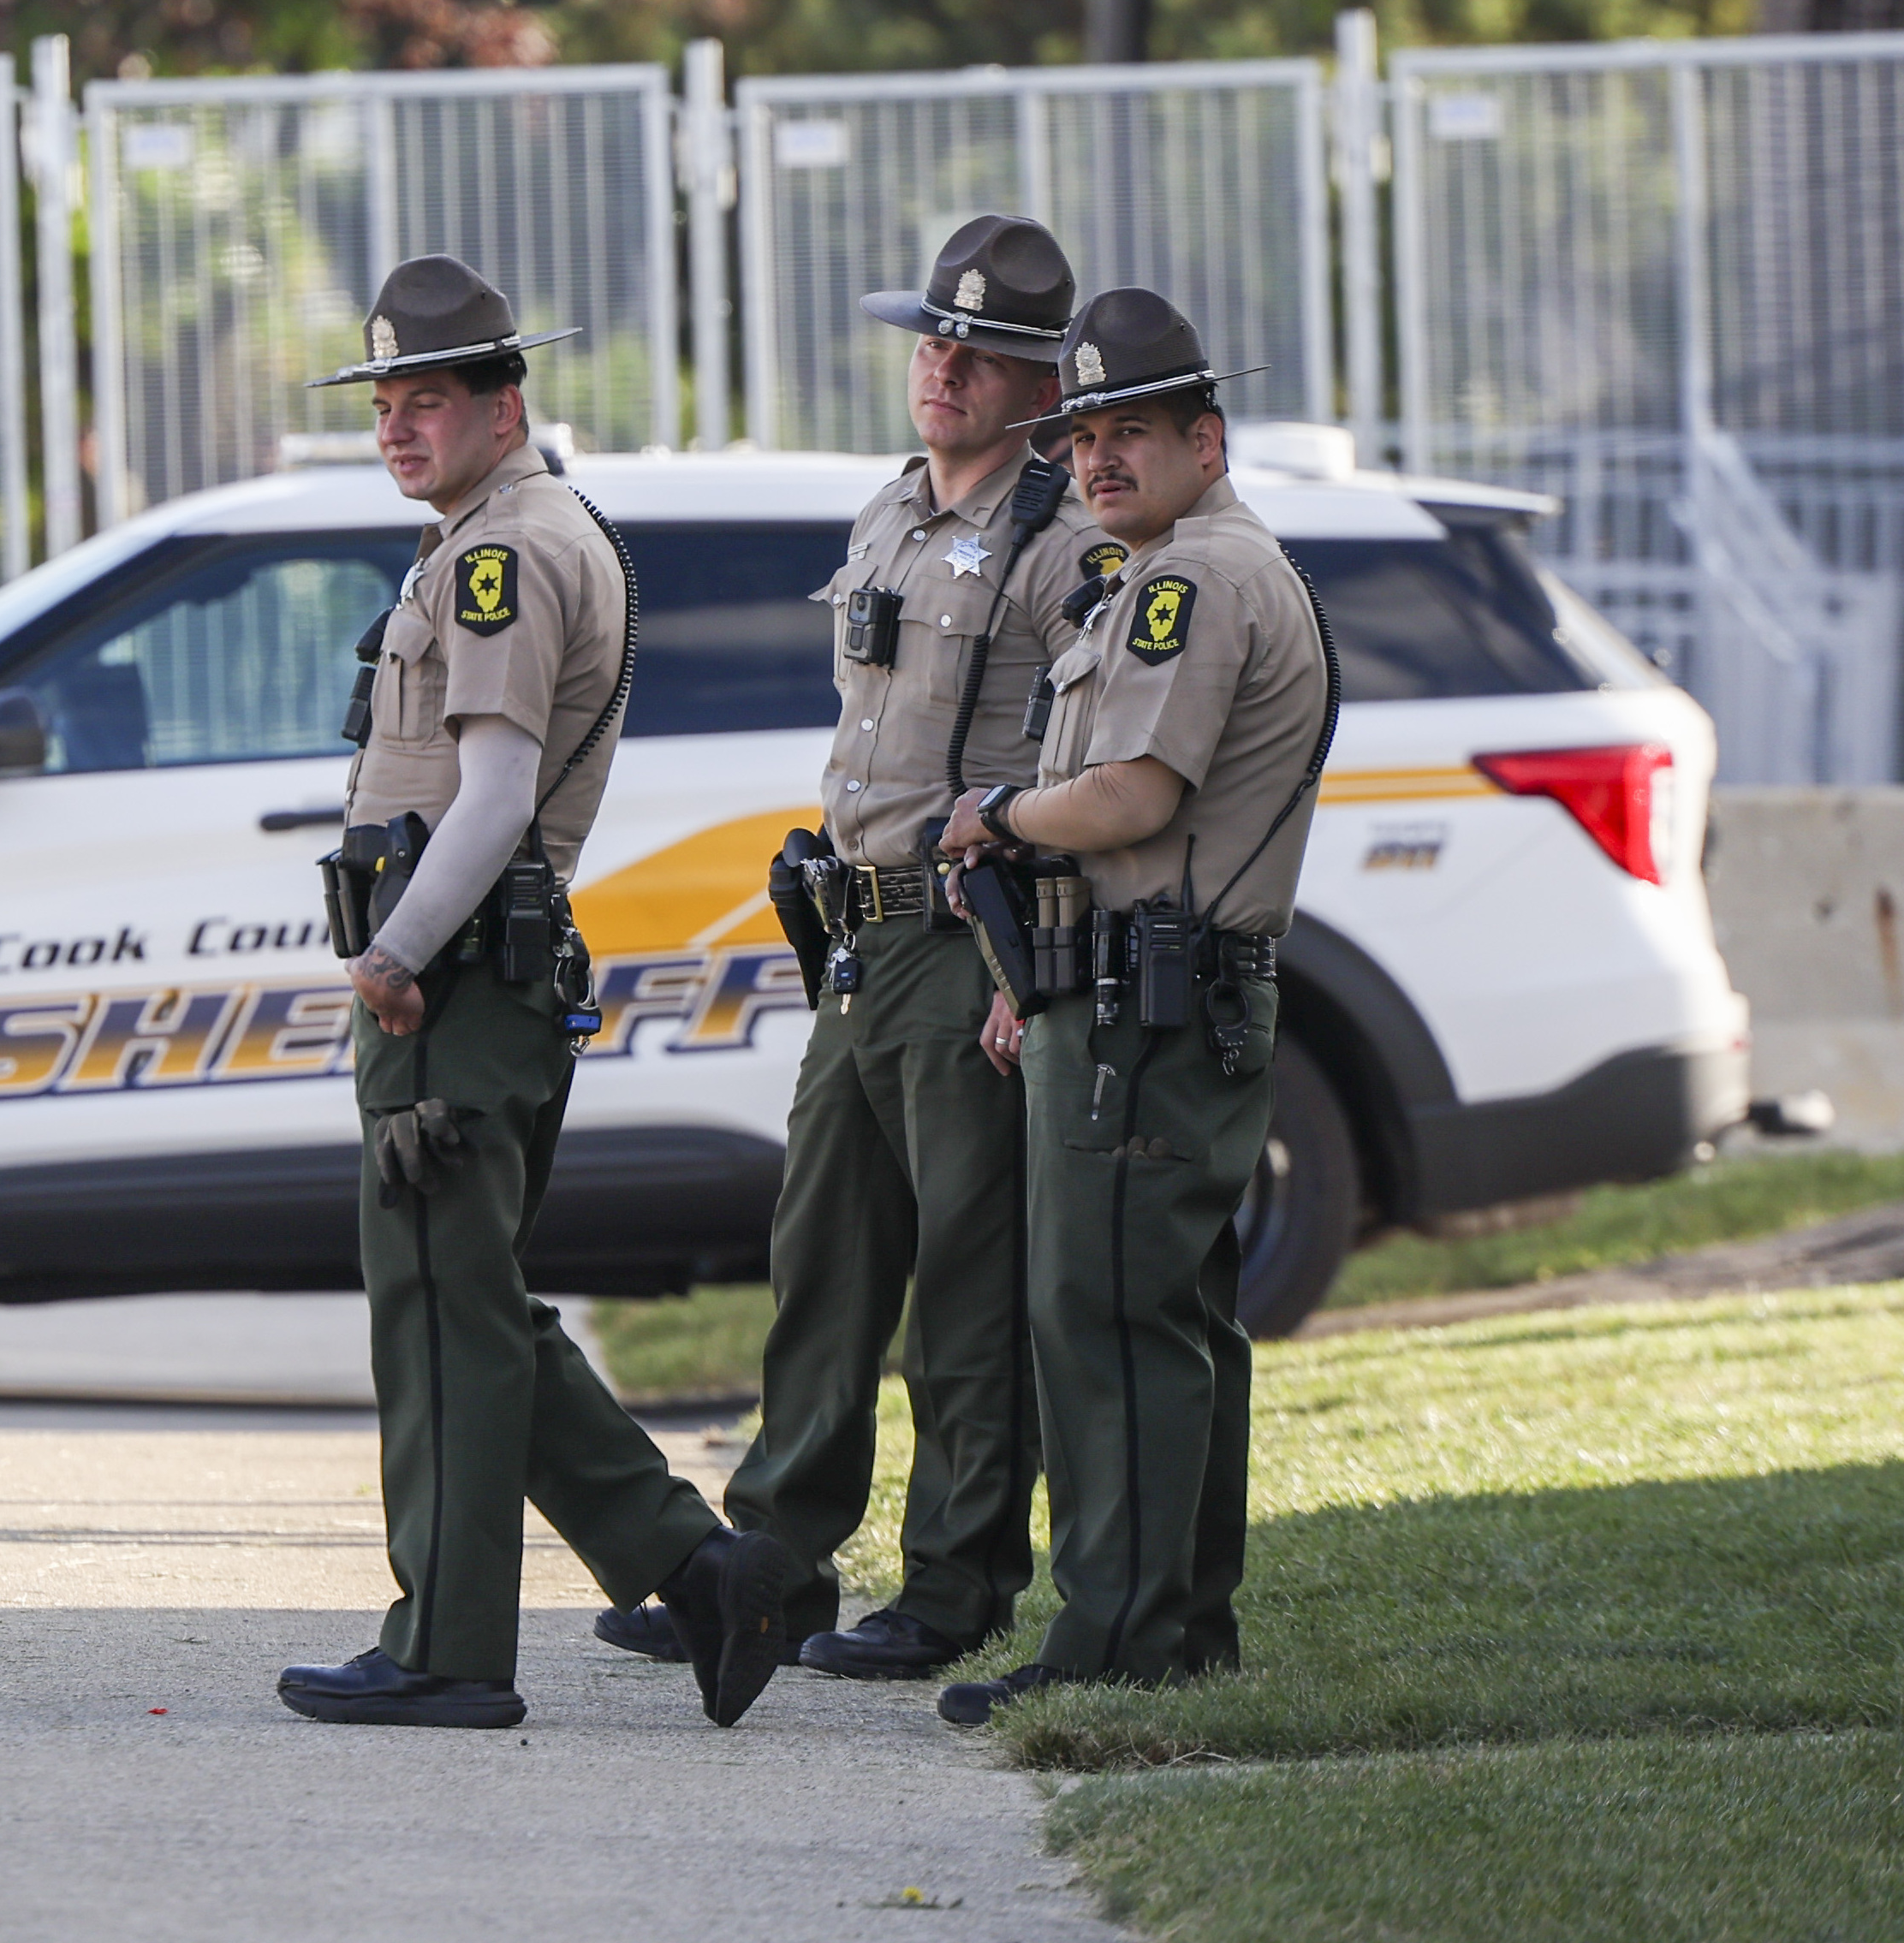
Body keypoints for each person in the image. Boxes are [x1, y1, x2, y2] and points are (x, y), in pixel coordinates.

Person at [275, 255, 802, 1733]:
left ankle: (447, 1649)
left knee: (443, 1315)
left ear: (505, 403)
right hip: (471, 972)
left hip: (454, 976)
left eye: (427, 399)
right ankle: (705, 1572)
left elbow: (496, 789)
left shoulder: (504, 553)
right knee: (470, 1300)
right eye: (384, 400)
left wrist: (394, 956)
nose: (398, 425)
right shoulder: (489, 533)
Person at [591, 216, 1097, 1684]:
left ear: (1041, 382)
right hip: (861, 937)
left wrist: (1025, 969)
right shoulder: (889, 513)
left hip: (967, 934)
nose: (945, 365)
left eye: (984, 351)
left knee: (964, 1282)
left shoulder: (1064, 546)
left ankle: (955, 1583)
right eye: (935, 338)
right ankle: (773, 1567)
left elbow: (1079, 757)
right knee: (821, 1259)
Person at [931, 288, 1333, 1727]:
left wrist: (992, 809)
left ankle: (1114, 1641)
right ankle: (1179, 1626)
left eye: (1133, 434)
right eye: (1085, 435)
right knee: (1164, 1319)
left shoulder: (1191, 584)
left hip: (1149, 1017)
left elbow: (1132, 798)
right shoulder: (1160, 572)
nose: (1099, 460)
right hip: (1124, 999)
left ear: (1206, 438)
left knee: (1102, 1317)